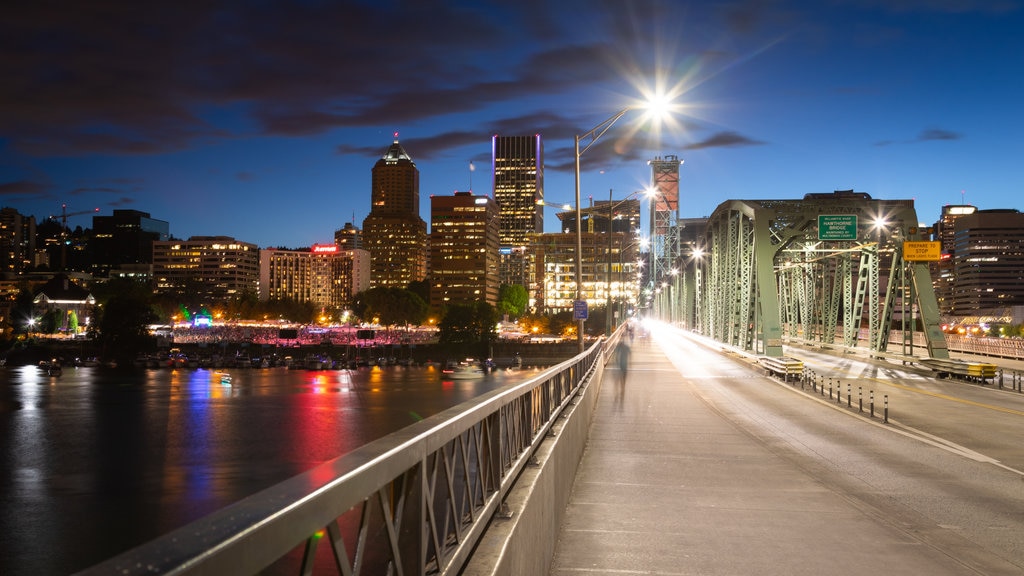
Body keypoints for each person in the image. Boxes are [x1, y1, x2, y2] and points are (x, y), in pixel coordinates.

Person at [614, 340, 630, 408]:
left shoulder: (618, 348)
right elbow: (630, 355)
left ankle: (618, 392)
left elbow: (616, 357)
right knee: (623, 380)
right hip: (625, 366)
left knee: (617, 381)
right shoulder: (626, 347)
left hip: (619, 367)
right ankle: (622, 391)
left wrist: (617, 362)